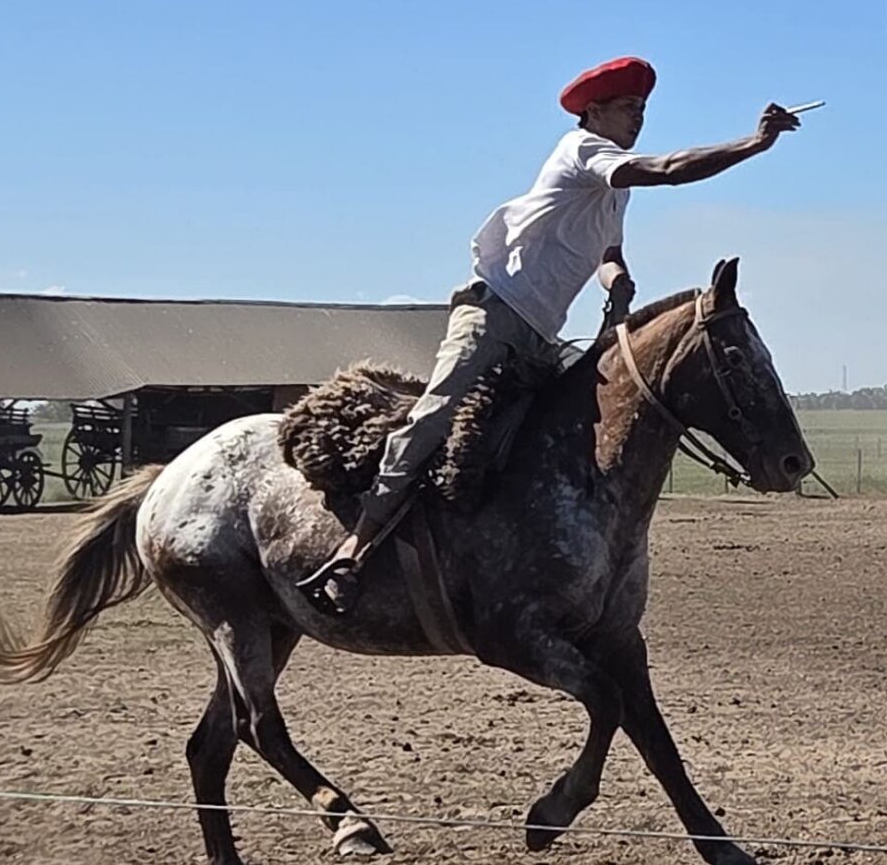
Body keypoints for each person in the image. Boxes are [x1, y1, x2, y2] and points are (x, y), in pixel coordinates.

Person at [299, 57, 803, 614]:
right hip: (493, 314)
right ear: (594, 112)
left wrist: (617, 279)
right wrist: (754, 144)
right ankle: (357, 542)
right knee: (437, 414)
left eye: (643, 109)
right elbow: (665, 169)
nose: (639, 118)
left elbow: (607, 253)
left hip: (540, 333)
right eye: (628, 107)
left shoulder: (615, 188)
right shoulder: (583, 150)